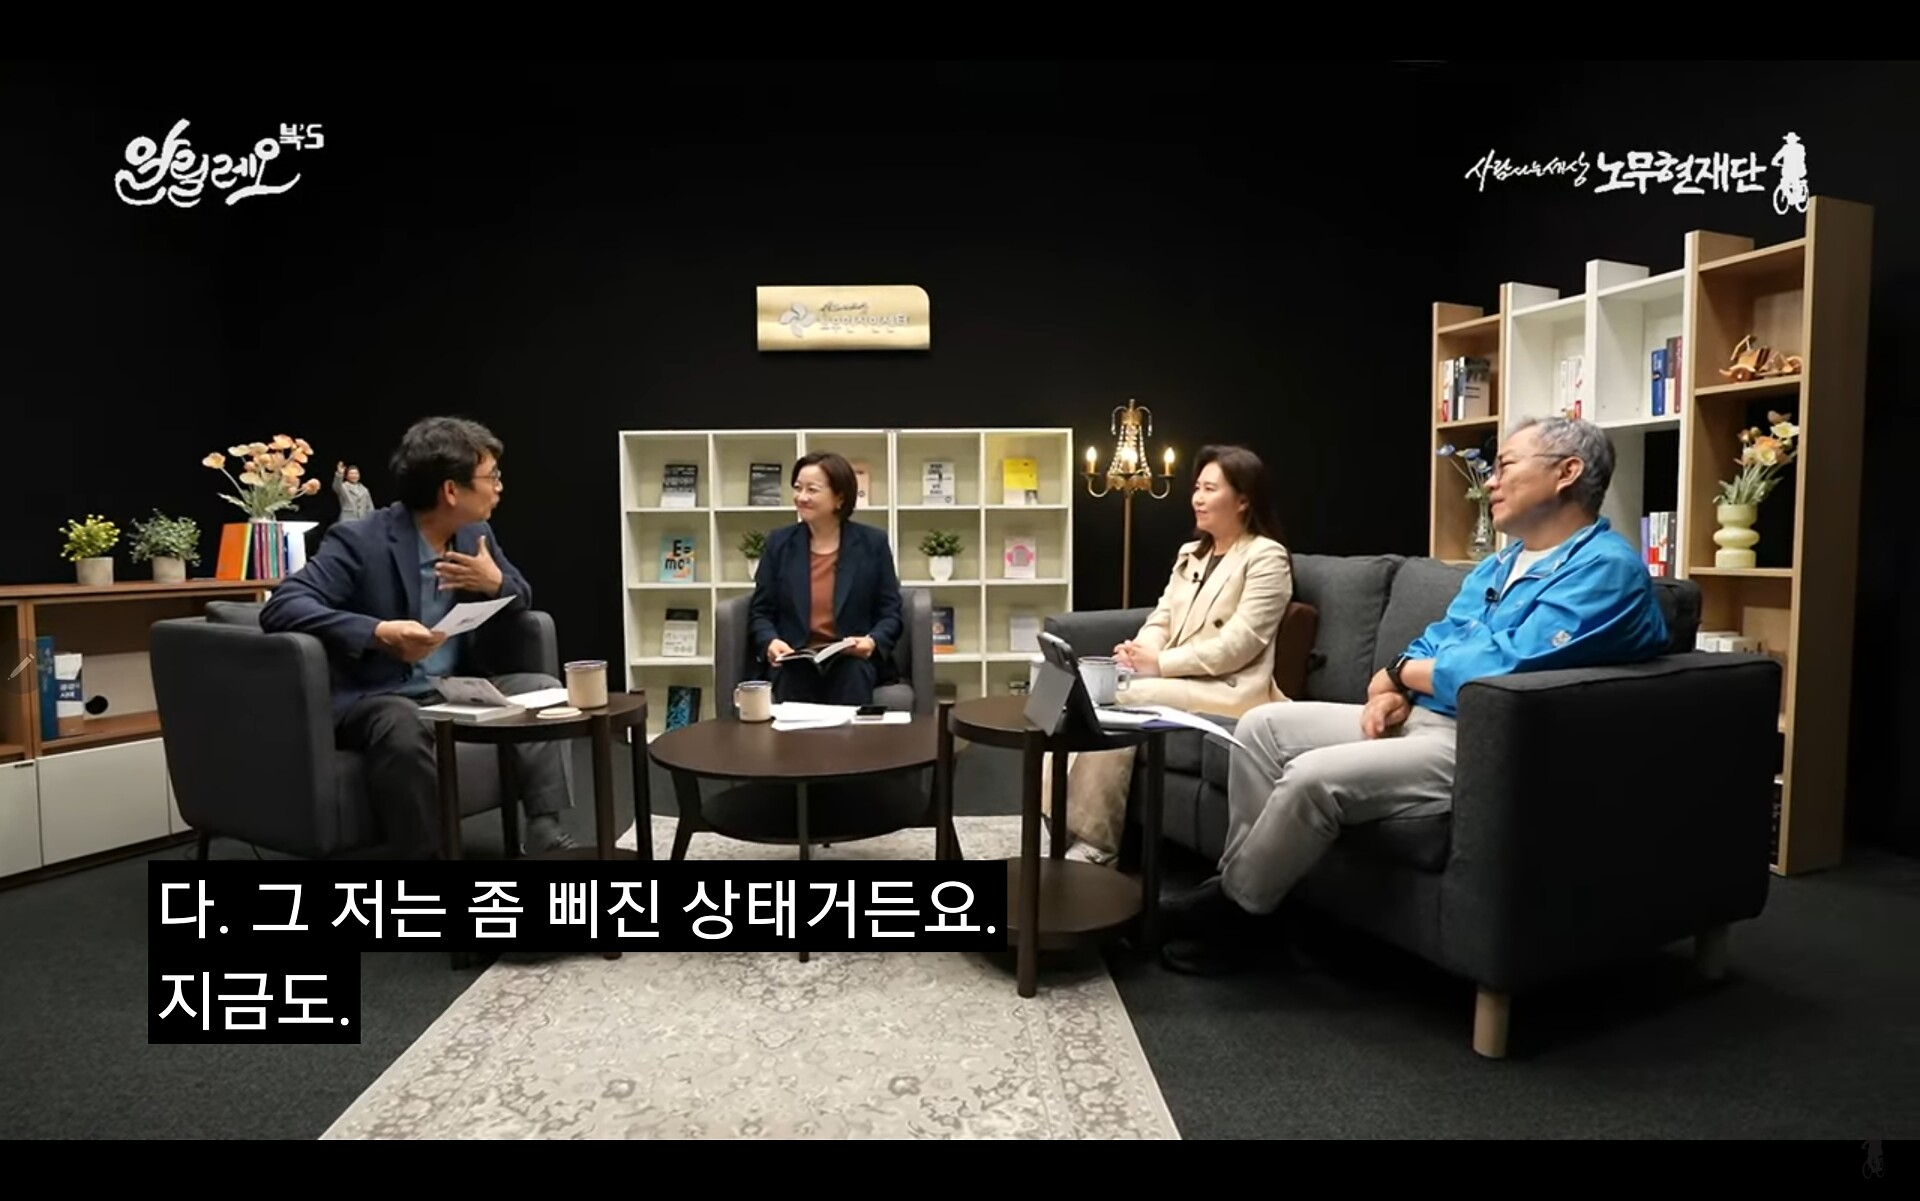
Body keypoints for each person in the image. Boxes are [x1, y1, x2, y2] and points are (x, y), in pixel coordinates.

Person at [1159, 416, 1670, 974]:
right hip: (1424, 716)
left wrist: (1402, 675)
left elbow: (1506, 663)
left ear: (1566, 473)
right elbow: (1441, 637)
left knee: (1311, 778)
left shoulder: (1606, 569)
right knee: (1260, 728)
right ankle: (1249, 893)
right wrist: (1399, 685)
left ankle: (1238, 913)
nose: (1490, 482)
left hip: (1482, 742)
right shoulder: (1503, 561)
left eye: (1505, 466)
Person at [261, 417, 577, 859]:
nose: (499, 487)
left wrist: (494, 582)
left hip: (453, 686)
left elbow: (521, 595)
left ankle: (544, 829)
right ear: (451, 490)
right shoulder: (361, 540)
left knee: (543, 689)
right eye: (492, 477)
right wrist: (377, 633)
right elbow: (283, 606)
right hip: (381, 694)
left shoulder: (475, 534)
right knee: (401, 724)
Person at [1045, 445, 1296, 865]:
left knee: (1119, 697)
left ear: (1243, 500)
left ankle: (1098, 844)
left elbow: (1239, 645)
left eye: (1210, 489)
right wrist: (1139, 652)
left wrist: (1159, 664)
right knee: (1070, 686)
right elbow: (1161, 618)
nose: (1197, 498)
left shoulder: (1265, 557)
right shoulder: (1191, 555)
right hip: (1179, 678)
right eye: (1197, 488)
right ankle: (1051, 816)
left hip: (1227, 689)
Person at [748, 451, 904, 706]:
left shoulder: (872, 543)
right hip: (795, 657)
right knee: (793, 675)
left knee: (852, 673)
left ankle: (850, 735)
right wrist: (770, 642)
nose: (801, 497)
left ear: (839, 498)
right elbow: (761, 611)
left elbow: (890, 612)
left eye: (812, 490)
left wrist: (872, 642)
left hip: (851, 659)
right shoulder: (779, 543)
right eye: (797, 488)